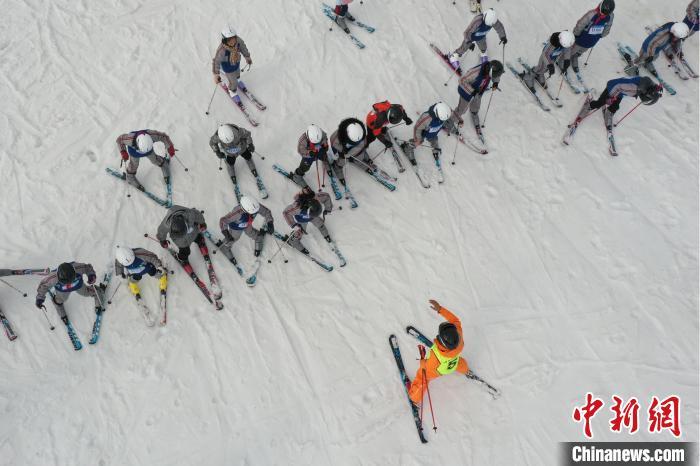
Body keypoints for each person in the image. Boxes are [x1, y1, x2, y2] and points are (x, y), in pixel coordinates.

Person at [408, 300, 470, 404]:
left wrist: (422, 363)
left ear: (441, 341)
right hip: (454, 362)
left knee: (422, 377)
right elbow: (455, 320)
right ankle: (465, 370)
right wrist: (440, 309)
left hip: (439, 371)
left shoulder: (436, 355)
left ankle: (414, 397)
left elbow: (427, 367)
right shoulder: (459, 337)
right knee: (459, 362)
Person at [576, 76, 662, 130]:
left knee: (615, 106)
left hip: (620, 92)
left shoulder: (644, 86)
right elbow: (618, 86)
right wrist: (610, 97)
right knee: (601, 102)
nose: (644, 100)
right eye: (646, 99)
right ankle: (589, 105)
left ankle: (609, 112)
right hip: (612, 87)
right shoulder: (635, 87)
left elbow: (623, 89)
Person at [35, 262, 103, 323]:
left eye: (71, 279)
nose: (69, 283)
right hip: (63, 290)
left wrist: (91, 275)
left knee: (86, 293)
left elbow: (87, 267)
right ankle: (57, 302)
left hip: (78, 285)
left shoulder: (77, 267)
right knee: (60, 300)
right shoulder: (53, 277)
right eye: (66, 282)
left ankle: (96, 291)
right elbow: (43, 286)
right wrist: (40, 298)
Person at [559, 0, 615, 72]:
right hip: (581, 38)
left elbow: (608, 26)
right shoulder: (591, 14)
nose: (602, 15)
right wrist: (576, 34)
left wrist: (603, 34)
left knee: (583, 50)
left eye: (605, 14)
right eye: (602, 12)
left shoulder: (610, 16)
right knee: (573, 50)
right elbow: (580, 24)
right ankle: (562, 60)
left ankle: (575, 57)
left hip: (592, 39)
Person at [447, 60, 503, 131]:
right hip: (466, 93)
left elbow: (495, 76)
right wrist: (472, 91)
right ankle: (450, 121)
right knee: (462, 110)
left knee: (476, 105)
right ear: (490, 71)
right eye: (493, 75)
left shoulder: (490, 69)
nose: (494, 77)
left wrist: (495, 82)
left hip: (478, 93)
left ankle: (474, 112)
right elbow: (461, 80)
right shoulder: (475, 72)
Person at [209, 123, 260, 200]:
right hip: (230, 153)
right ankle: (230, 168)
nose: (230, 142)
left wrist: (250, 144)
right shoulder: (217, 137)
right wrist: (217, 151)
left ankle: (250, 162)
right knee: (230, 162)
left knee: (248, 156)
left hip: (242, 148)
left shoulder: (239, 131)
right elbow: (212, 143)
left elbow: (248, 134)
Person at [218, 196, 274, 261]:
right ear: (246, 209)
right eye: (253, 213)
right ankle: (225, 246)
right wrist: (226, 233)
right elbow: (223, 221)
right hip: (236, 227)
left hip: (247, 223)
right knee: (234, 238)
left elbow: (266, 212)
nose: (256, 212)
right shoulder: (237, 212)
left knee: (251, 232)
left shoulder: (255, 206)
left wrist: (270, 222)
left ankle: (258, 237)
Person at [281, 187, 334, 254]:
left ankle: (326, 235)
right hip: (302, 218)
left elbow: (326, 196)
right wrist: (294, 224)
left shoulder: (317, 197)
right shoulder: (297, 207)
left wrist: (328, 209)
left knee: (319, 223)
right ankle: (293, 241)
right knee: (300, 231)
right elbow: (286, 213)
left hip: (312, 215)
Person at [401, 102, 453, 166]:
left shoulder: (445, 111)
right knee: (418, 142)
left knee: (434, 140)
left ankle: (435, 150)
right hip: (424, 132)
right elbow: (417, 128)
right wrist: (418, 139)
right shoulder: (427, 118)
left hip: (433, 133)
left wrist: (447, 127)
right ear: (437, 114)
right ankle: (407, 147)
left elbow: (447, 119)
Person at [212, 26, 252, 103]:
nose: (233, 41)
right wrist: (216, 74)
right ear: (224, 40)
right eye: (229, 40)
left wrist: (247, 57)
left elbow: (243, 47)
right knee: (233, 82)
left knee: (237, 74)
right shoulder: (222, 50)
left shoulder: (238, 41)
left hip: (236, 63)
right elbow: (216, 61)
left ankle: (237, 79)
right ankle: (232, 91)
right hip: (228, 68)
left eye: (233, 38)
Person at [329, 118, 369, 186]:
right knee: (342, 160)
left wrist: (350, 154)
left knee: (359, 153)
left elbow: (360, 145)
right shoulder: (337, 136)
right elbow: (334, 143)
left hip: (352, 150)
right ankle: (338, 166)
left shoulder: (361, 132)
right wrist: (342, 151)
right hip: (343, 149)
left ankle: (358, 160)